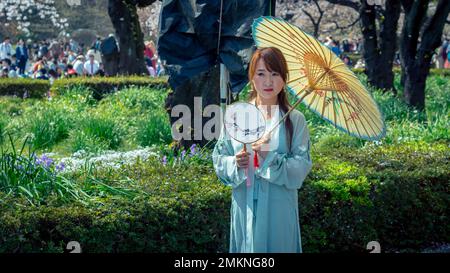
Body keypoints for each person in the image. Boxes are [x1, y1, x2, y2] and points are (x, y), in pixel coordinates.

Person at [212, 47, 313, 253]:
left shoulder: (295, 120)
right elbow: (219, 157)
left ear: (284, 79)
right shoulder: (237, 115)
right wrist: (235, 162)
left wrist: (270, 157)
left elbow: (301, 166)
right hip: (244, 202)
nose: (268, 82)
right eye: (261, 74)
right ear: (251, 77)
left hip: (279, 207)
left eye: (275, 74)